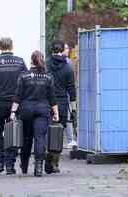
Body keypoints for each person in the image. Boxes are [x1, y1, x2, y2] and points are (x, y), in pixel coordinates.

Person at [10, 51, 59, 177]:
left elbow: (18, 96)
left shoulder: (23, 76)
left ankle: (24, 165)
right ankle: (38, 168)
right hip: (43, 110)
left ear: (31, 61)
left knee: (26, 138)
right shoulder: (48, 76)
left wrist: (13, 112)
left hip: (26, 110)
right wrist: (56, 113)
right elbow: (52, 98)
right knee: (40, 138)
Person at [0, 37, 27, 175]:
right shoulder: (20, 62)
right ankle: (10, 165)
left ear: (0, 47)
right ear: (12, 46)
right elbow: (25, 83)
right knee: (13, 131)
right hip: (15, 103)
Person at [45, 40, 76, 174]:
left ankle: (46, 153)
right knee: (58, 133)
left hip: (46, 102)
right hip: (62, 103)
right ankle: (55, 163)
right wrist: (73, 108)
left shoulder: (46, 65)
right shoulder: (68, 68)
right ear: (62, 50)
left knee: (46, 131)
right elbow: (72, 90)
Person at [62, 43, 77, 148]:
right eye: (66, 48)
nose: (68, 50)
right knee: (68, 117)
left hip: (63, 93)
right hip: (65, 93)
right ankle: (70, 140)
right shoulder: (68, 63)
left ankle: (70, 139)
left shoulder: (69, 62)